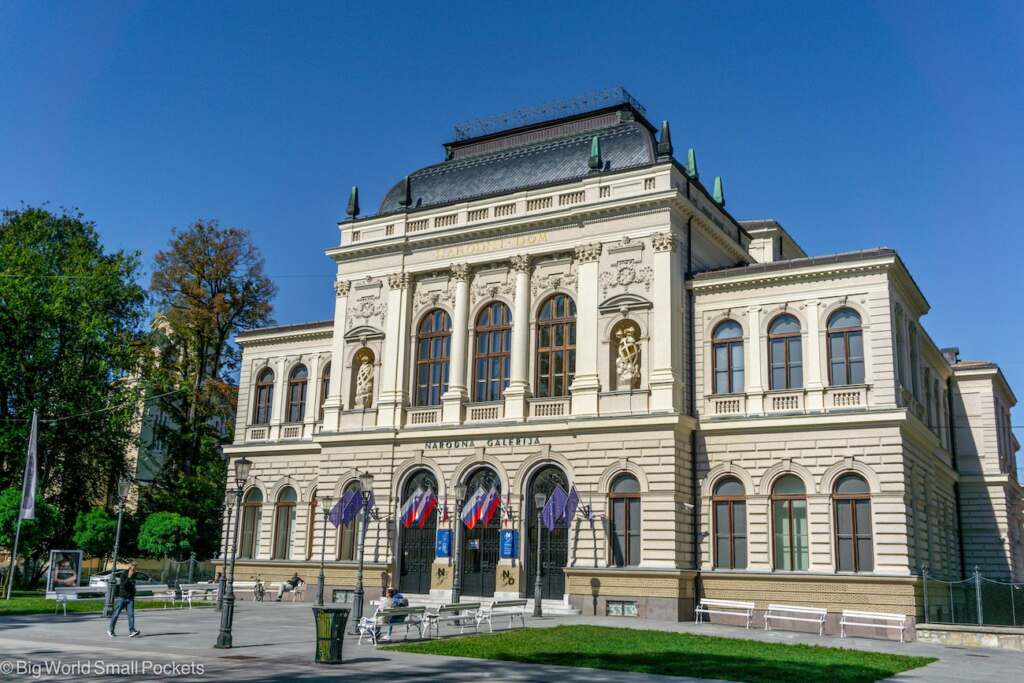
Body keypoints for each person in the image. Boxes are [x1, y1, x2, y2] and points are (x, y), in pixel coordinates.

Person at [107, 564, 140, 638]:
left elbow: (132, 585)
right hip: (122, 597)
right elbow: (124, 585)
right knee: (116, 614)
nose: (135, 567)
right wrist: (129, 577)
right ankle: (110, 630)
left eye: (136, 566)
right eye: (134, 566)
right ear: (130, 566)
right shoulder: (124, 574)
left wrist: (133, 592)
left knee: (131, 615)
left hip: (130, 598)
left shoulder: (134, 574)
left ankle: (132, 631)